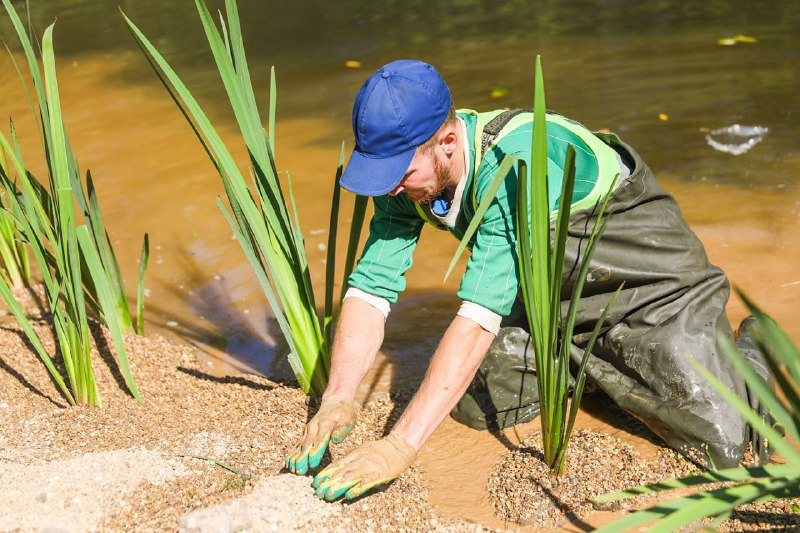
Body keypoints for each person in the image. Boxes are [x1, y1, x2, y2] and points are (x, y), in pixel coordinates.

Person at [284, 59, 773, 501]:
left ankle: (756, 347)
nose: (389, 186)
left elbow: (477, 319)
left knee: (724, 440)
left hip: (650, 285)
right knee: (477, 406)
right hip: (551, 298)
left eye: (399, 172)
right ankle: (600, 362)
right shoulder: (406, 176)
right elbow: (370, 289)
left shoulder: (515, 165)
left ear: (447, 143)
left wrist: (398, 446)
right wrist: (339, 397)